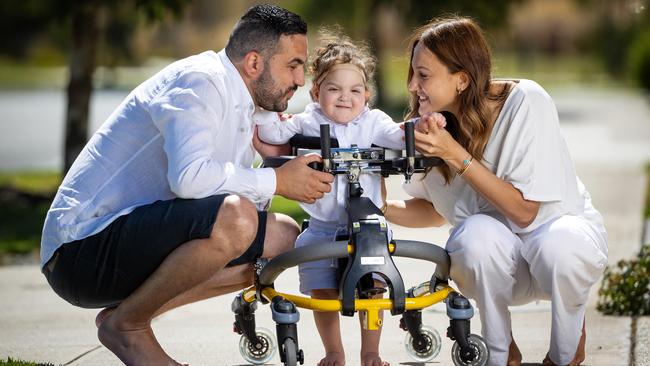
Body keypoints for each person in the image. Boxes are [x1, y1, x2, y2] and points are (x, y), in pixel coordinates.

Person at [39, 4, 335, 365]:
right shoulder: (201, 82)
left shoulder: (246, 104)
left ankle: (127, 316)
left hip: (129, 238)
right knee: (238, 218)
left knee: (284, 240)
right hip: (79, 252)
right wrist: (277, 180)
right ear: (255, 63)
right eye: (293, 65)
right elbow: (190, 179)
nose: (300, 80)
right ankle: (129, 326)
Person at [382, 17, 608, 366]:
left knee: (559, 246)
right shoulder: (436, 128)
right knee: (474, 238)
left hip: (559, 251)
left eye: (423, 75)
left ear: (462, 79)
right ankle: (501, 354)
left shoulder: (526, 102)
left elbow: (524, 212)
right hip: (503, 265)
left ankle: (565, 352)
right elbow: (435, 210)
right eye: (412, 74)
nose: (412, 85)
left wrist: (454, 154)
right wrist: (378, 206)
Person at [257, 33, 409, 366]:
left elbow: (400, 137)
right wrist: (264, 111)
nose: (345, 98)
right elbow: (272, 132)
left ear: (366, 95)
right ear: (316, 92)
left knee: (373, 288)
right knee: (321, 290)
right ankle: (334, 352)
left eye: (355, 90)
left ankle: (371, 352)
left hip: (368, 227)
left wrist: (422, 124)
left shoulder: (373, 122)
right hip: (323, 227)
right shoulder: (309, 120)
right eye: (334, 89)